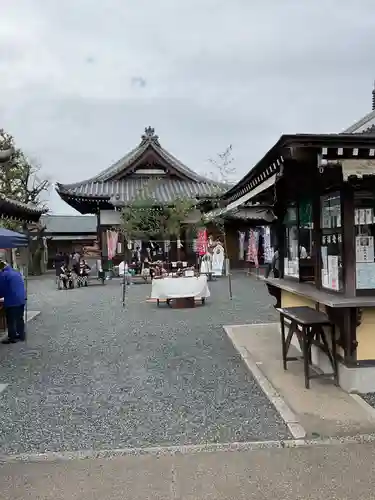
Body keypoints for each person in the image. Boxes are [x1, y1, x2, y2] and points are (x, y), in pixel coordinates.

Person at [0, 261, 26, 344]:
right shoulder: (15, 272)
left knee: (11, 320)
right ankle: (21, 335)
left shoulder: (4, 275)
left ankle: (12, 337)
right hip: (21, 299)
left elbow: (1, 289)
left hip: (12, 300)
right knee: (19, 318)